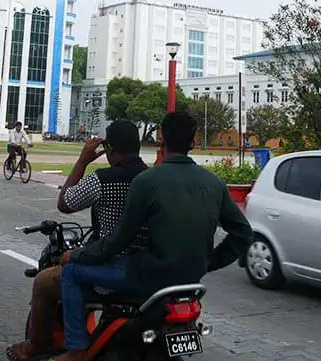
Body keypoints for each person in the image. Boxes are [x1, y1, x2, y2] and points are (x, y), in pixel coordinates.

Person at [54, 111, 253, 361]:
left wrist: (78, 254)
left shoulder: (148, 181)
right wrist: (209, 261)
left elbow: (118, 240)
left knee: (71, 272)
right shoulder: (214, 183)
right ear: (192, 143)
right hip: (191, 281)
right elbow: (244, 234)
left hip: (147, 278)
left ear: (161, 139)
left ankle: (75, 351)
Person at [6, 120, 149, 361]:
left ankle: (45, 345)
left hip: (110, 264)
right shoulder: (151, 178)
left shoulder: (103, 179)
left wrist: (83, 159)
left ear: (109, 149)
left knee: (45, 281)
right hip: (145, 266)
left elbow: (66, 203)